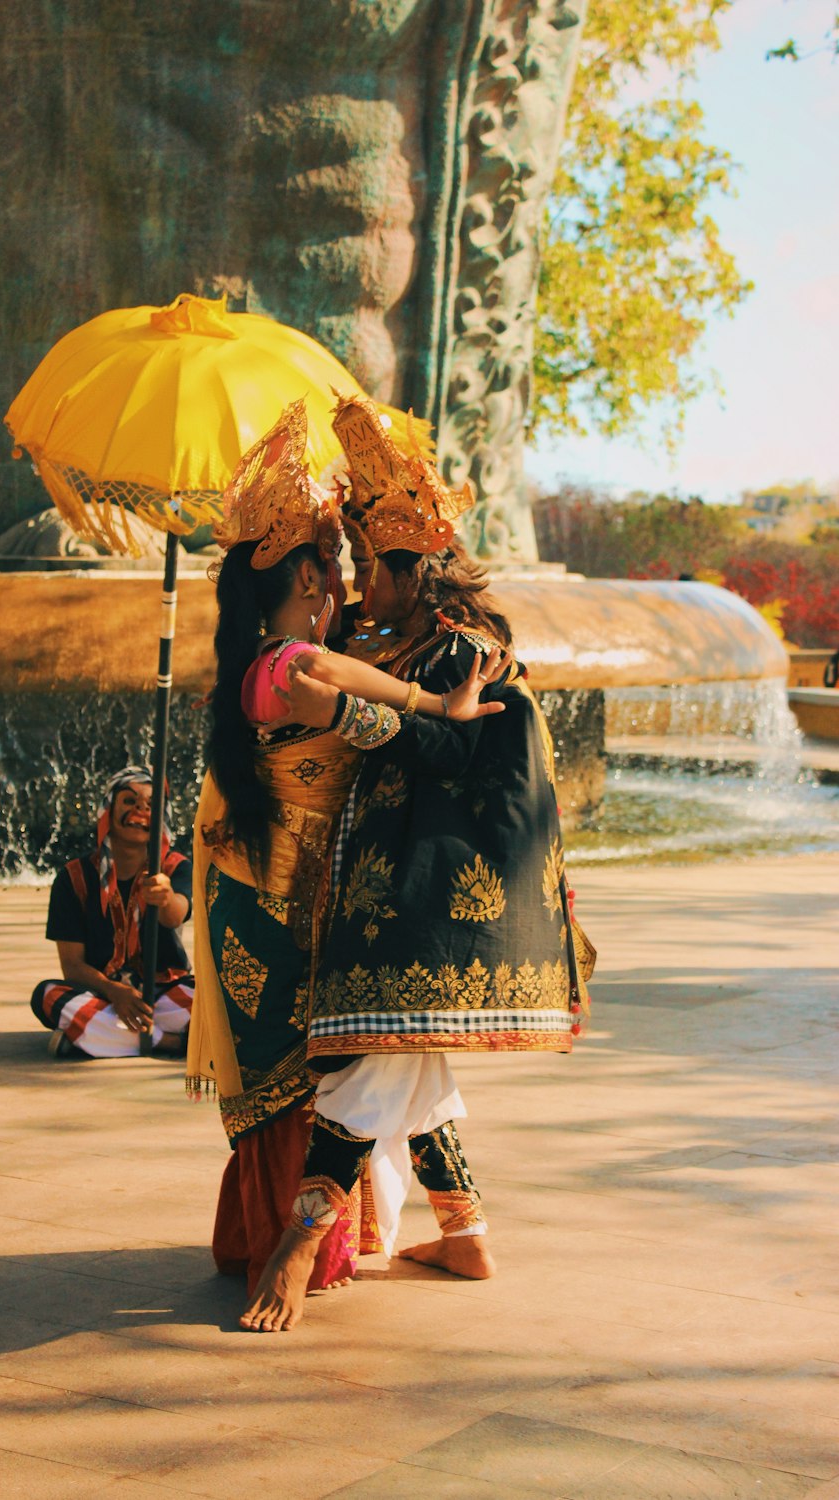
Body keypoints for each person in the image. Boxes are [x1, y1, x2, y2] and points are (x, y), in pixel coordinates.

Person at [240, 392, 595, 1331]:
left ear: (413, 571)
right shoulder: (406, 641)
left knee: (363, 1066)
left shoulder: (466, 650)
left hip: (433, 902)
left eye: (367, 564)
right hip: (399, 890)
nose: (359, 580)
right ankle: (465, 1230)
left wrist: (347, 714)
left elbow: (453, 753)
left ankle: (300, 1241)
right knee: (410, 1063)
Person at [186, 400, 503, 1303]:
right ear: (300, 571)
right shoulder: (293, 662)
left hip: (329, 893)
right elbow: (351, 705)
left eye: (360, 559)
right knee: (358, 1059)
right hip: (276, 898)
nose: (348, 576)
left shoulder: (323, 648)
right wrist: (436, 709)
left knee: (394, 1049)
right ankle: (301, 1246)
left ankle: (448, 1229)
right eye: (335, 558)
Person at [31, 766, 194, 1059]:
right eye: (129, 802)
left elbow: (176, 915)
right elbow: (72, 966)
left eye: (150, 805)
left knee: (215, 998)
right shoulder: (73, 877)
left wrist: (165, 897)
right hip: (102, 995)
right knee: (48, 995)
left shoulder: (175, 866)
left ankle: (94, 1036)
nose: (140, 810)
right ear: (109, 811)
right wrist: (114, 992)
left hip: (164, 995)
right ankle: (172, 1043)